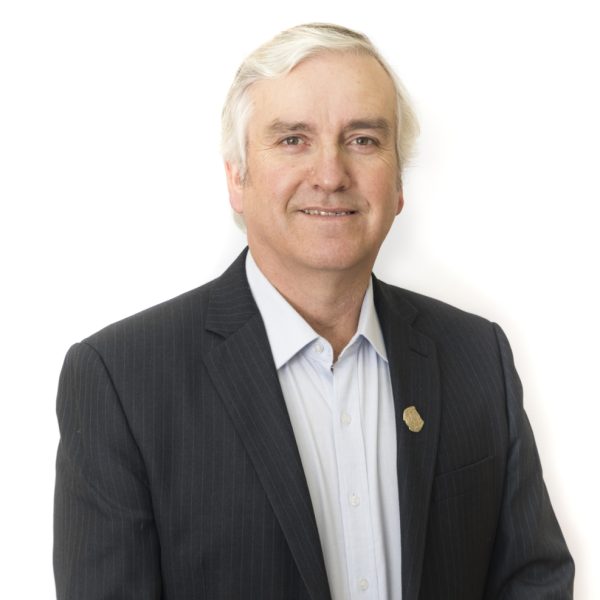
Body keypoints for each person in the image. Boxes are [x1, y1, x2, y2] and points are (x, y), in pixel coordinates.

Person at [53, 23, 574, 600]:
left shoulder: (476, 356)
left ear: (398, 184)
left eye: (363, 140)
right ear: (237, 178)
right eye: (293, 140)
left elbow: (534, 581)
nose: (330, 175)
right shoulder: (122, 381)